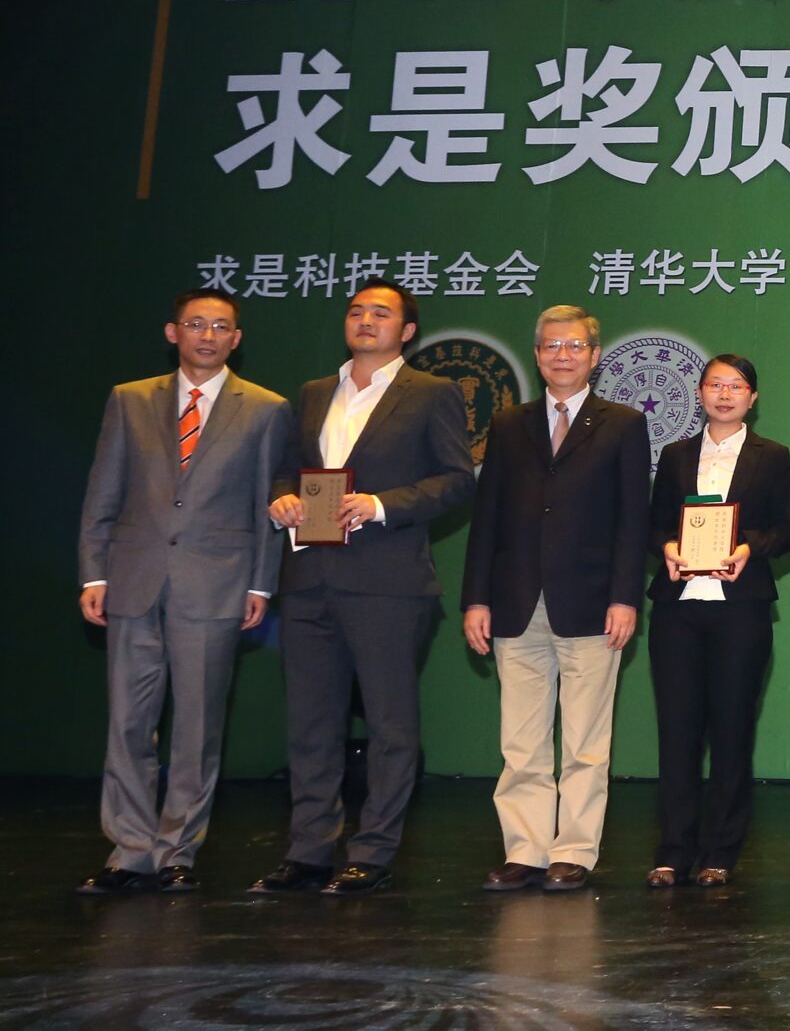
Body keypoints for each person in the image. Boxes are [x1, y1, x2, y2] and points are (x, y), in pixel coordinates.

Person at [254, 280, 475, 896]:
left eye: (381, 313)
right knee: (310, 723)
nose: (366, 321)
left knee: (389, 724)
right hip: (308, 579)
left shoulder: (431, 392)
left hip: (387, 582)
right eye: (356, 311)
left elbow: (457, 479)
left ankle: (373, 851)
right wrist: (282, 499)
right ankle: (309, 851)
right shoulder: (313, 393)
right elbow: (285, 470)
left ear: (408, 331)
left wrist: (379, 505)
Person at [74, 288, 294, 895]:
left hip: (217, 584)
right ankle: (129, 850)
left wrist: (260, 582)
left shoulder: (266, 409)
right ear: (173, 332)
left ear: (236, 340)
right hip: (132, 581)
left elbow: (267, 502)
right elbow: (103, 491)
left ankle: (177, 851)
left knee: (197, 728)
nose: (207, 335)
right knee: (128, 724)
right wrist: (94, 574)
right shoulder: (129, 399)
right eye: (196, 324)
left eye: (220, 327)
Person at [461, 305, 649, 894]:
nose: (561, 356)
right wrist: (476, 599)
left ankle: (574, 851)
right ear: (537, 354)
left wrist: (625, 596)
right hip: (515, 600)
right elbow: (487, 516)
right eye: (550, 346)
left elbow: (633, 519)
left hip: (593, 602)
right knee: (521, 740)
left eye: (573, 346)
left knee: (586, 743)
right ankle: (525, 849)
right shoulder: (509, 423)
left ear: (595, 355)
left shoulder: (623, 424)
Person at [643, 354, 790, 889]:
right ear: (700, 393)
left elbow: (786, 528)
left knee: (731, 730)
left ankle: (721, 851)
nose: (725, 395)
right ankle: (673, 850)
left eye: (736, 386)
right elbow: (655, 523)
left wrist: (750, 546)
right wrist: (667, 547)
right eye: (714, 385)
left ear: (753, 398)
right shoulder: (676, 454)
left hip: (740, 609)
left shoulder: (772, 456)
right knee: (677, 731)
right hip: (678, 609)